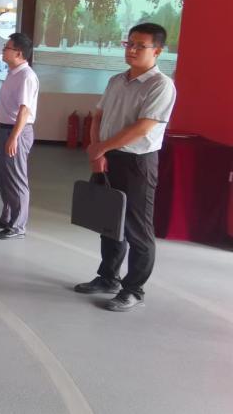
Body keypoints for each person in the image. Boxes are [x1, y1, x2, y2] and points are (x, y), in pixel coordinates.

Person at [75, 23, 177, 312]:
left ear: (157, 51)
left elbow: (143, 128)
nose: (131, 50)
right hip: (108, 157)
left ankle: (133, 290)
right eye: (129, 43)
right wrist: (97, 150)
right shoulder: (116, 80)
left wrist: (101, 148)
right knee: (109, 222)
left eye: (140, 46)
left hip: (137, 163)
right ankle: (108, 277)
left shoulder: (161, 85)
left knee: (137, 229)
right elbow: (98, 116)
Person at [0, 32, 38, 240]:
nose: (3, 50)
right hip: (4, 129)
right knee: (6, 177)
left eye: (6, 48)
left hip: (15, 131)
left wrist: (14, 137)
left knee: (16, 179)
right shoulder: (13, 73)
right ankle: (7, 217)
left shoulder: (26, 76)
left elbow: (25, 111)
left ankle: (17, 227)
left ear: (18, 53)